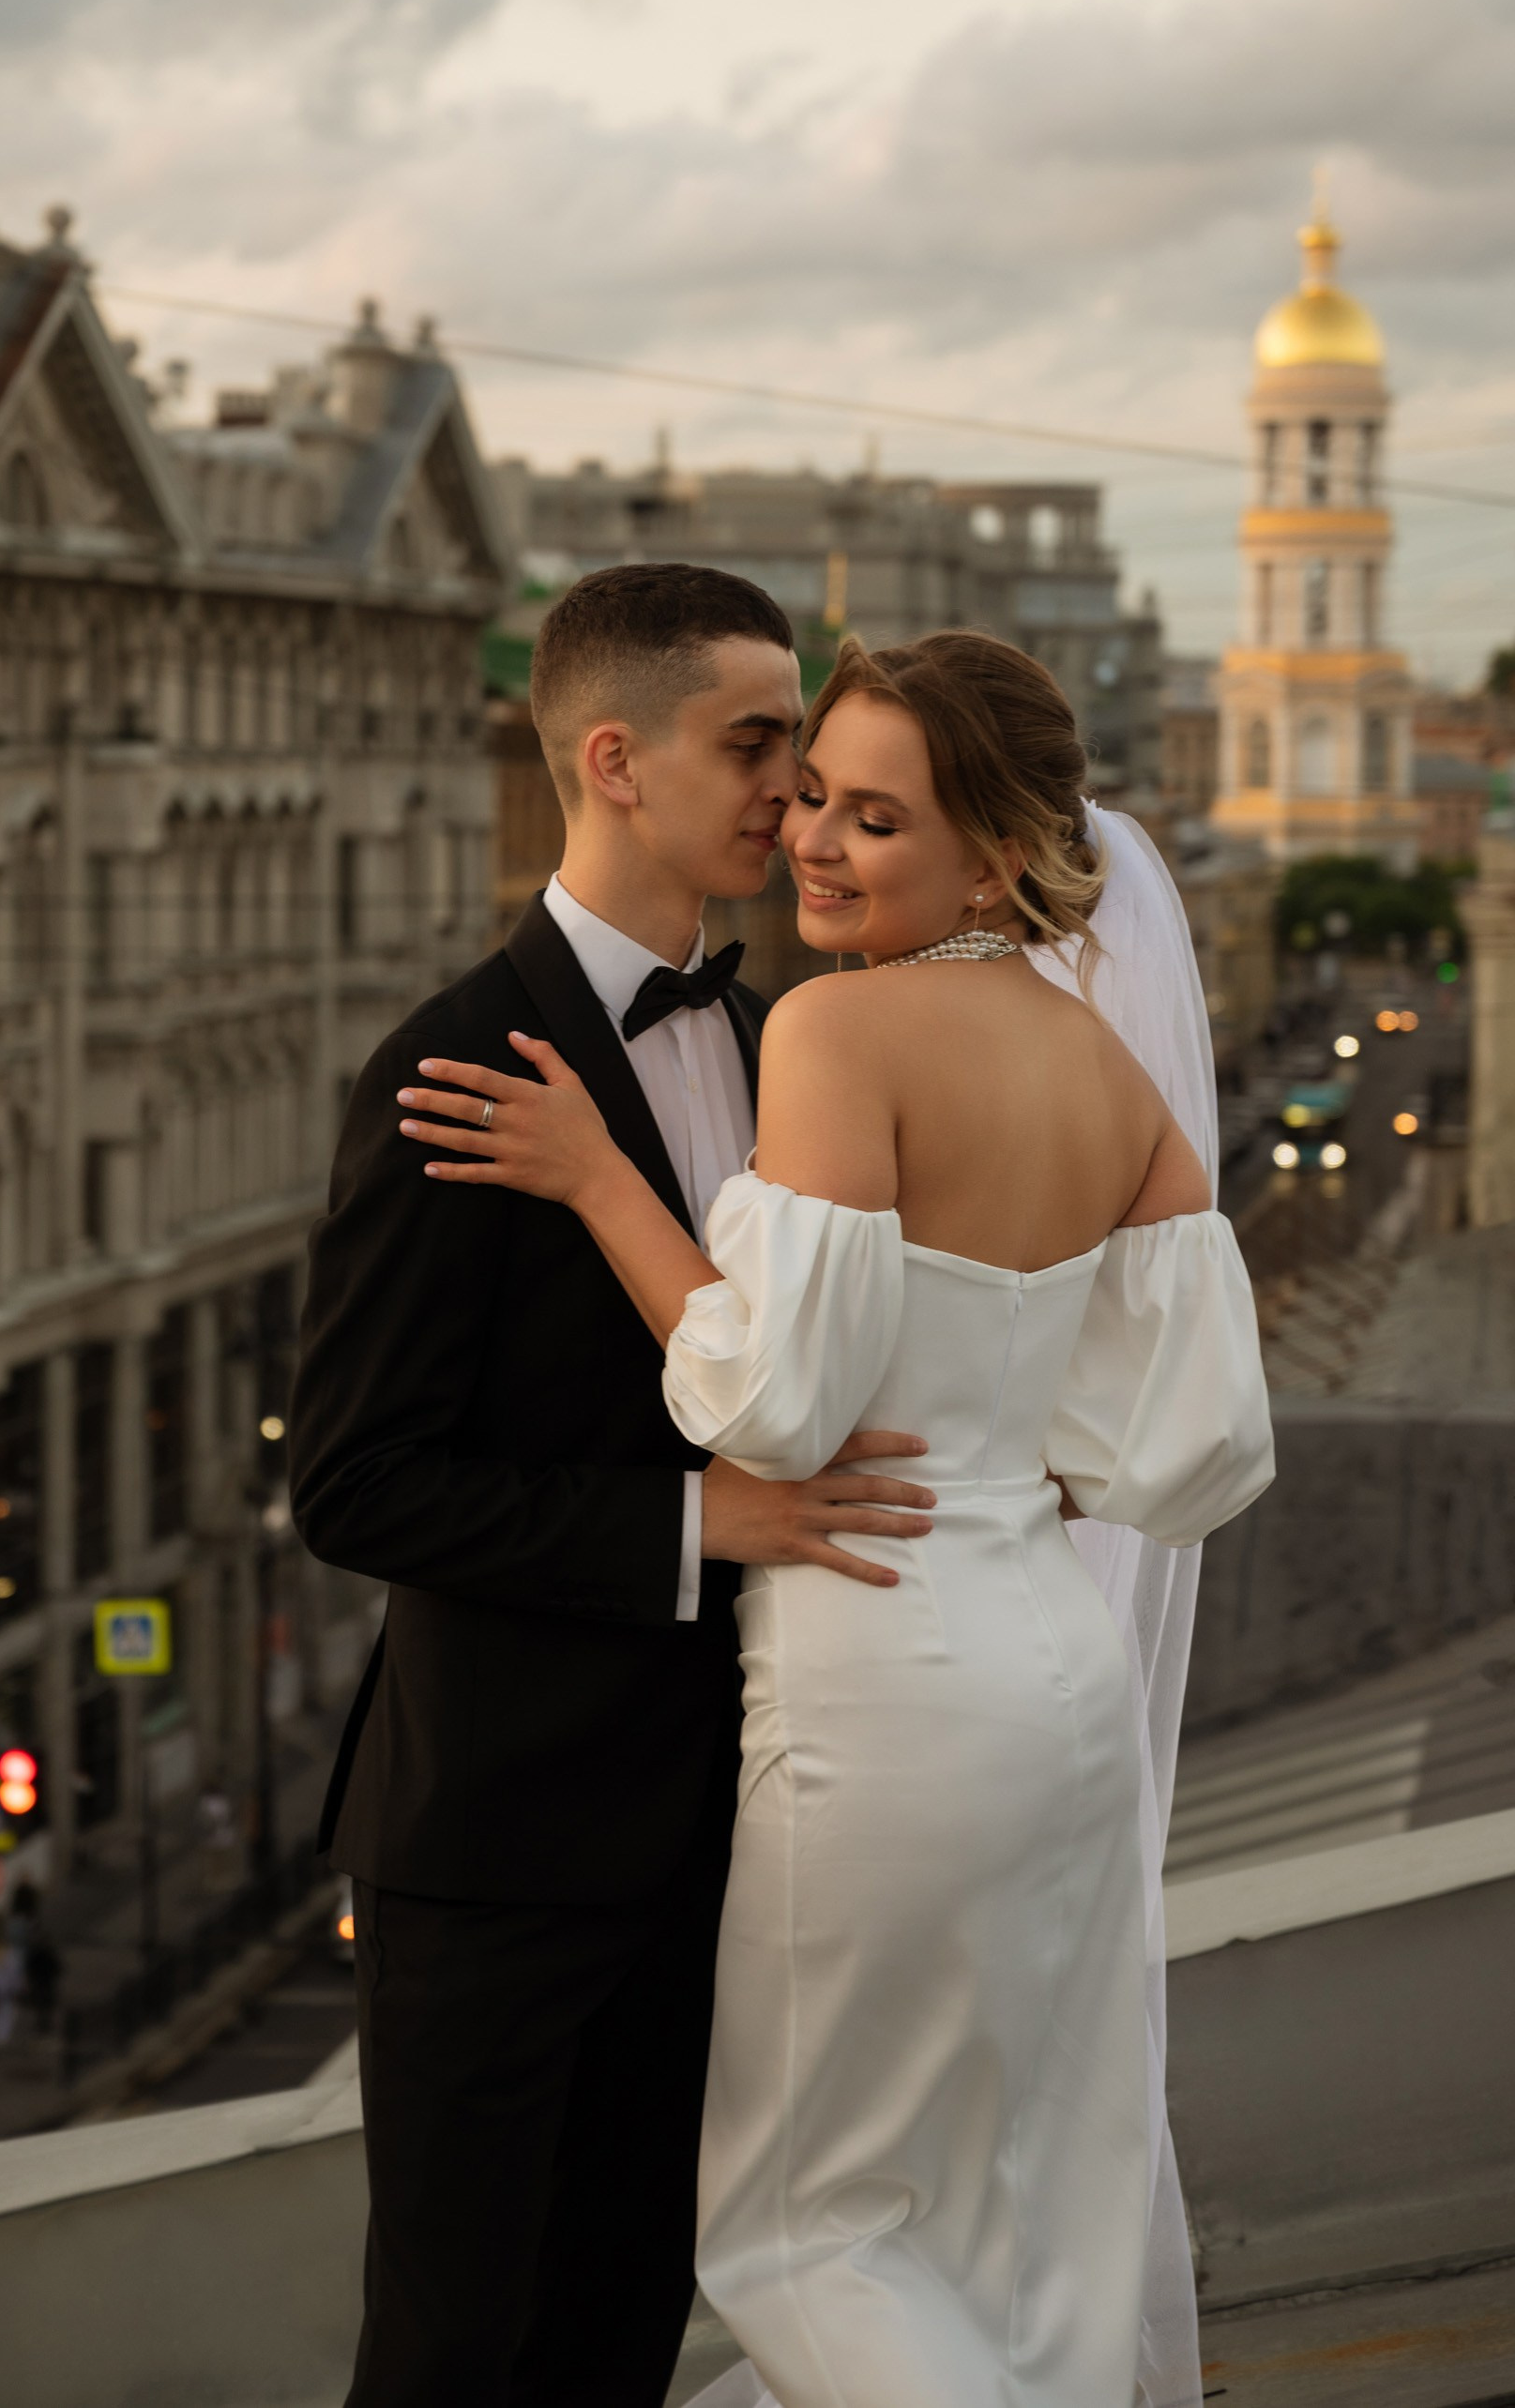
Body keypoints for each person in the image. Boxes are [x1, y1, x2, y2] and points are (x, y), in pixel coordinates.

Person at [396, 629, 1274, 2408]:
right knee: (1032, 2193)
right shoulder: (1111, 1075)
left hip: (887, 1678)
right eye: (811, 795)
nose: (813, 842)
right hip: (1058, 1684)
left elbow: (769, 1404)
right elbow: (1190, 1448)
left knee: (812, 2226)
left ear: (997, 857)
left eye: (874, 819)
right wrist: (991, 1430)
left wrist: (597, 1184)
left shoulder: (833, 1022)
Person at [290, 564, 939, 2408]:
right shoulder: (445, 1064)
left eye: (803, 756)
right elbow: (354, 1484)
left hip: (719, 1843)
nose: (790, 797)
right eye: (756, 747)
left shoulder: (768, 1040)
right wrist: (693, 1525)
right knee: (450, 2352)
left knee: (620, 2333)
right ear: (612, 759)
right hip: (492, 1850)